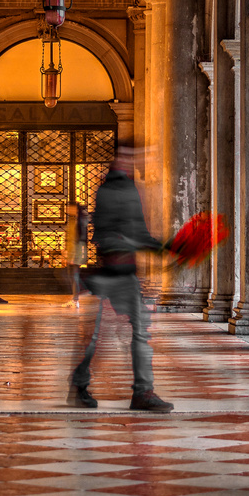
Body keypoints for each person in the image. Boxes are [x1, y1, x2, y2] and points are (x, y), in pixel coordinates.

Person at [70, 150, 175, 412]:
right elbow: (105, 234)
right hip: (109, 273)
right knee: (96, 338)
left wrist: (165, 246)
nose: (134, 161)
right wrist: (144, 245)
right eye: (128, 156)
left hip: (127, 273)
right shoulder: (108, 191)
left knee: (140, 332)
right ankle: (80, 383)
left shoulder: (131, 188)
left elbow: (138, 231)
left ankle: (143, 391)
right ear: (118, 160)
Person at [64, 201, 89, 307]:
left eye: (69, 208)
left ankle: (79, 295)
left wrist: (73, 256)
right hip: (73, 252)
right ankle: (77, 297)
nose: (67, 210)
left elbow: (78, 240)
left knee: (73, 276)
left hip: (76, 253)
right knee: (72, 275)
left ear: (74, 208)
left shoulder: (79, 222)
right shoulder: (75, 220)